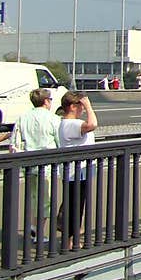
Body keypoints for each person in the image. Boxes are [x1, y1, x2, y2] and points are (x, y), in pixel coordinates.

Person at [10, 88, 61, 243]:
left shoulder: (23, 117)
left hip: (28, 163)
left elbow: (14, 143)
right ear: (46, 101)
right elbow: (60, 142)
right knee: (46, 200)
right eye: (50, 99)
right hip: (47, 165)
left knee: (34, 198)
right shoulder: (53, 118)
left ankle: (33, 226)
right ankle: (37, 232)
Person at [57, 91, 98, 249]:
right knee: (74, 207)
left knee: (75, 205)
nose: (82, 109)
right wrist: (88, 106)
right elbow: (92, 124)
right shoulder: (70, 124)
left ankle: (71, 240)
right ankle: (69, 242)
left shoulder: (68, 123)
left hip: (77, 171)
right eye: (80, 106)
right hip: (76, 172)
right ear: (73, 107)